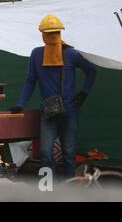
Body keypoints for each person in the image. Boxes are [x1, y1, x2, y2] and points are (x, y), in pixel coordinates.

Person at [10, 15, 96, 178]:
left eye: (54, 32)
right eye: (49, 33)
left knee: (69, 153)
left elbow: (91, 71)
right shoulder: (37, 54)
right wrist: (21, 104)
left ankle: (68, 191)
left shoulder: (71, 54)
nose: (51, 36)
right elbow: (30, 80)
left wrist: (83, 93)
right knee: (45, 154)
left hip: (70, 112)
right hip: (48, 113)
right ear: (42, 35)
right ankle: (49, 190)